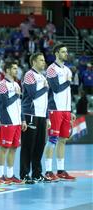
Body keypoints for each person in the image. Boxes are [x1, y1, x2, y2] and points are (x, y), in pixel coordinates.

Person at [44, 44, 76, 181]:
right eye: (63, 52)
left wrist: (71, 109)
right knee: (52, 140)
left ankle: (61, 170)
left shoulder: (68, 70)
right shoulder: (51, 69)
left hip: (66, 110)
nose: (66, 54)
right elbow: (56, 89)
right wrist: (68, 82)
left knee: (63, 140)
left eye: (66, 52)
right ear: (57, 53)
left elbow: (68, 93)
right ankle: (48, 171)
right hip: (55, 109)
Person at [20, 52, 51, 184]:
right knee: (28, 145)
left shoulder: (42, 76)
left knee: (40, 145)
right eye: (40, 60)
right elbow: (33, 94)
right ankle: (24, 174)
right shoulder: (29, 75)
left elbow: (45, 100)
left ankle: (37, 173)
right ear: (34, 62)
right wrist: (45, 88)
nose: (43, 62)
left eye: (44, 60)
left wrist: (47, 117)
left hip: (41, 115)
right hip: (30, 114)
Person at [0, 61, 24, 185]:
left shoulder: (17, 85)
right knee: (4, 148)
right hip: (7, 120)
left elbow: (20, 104)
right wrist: (15, 96)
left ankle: (10, 175)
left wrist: (22, 119)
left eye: (16, 68)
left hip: (17, 121)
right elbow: (4, 103)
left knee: (14, 148)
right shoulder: (2, 84)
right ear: (7, 70)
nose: (16, 71)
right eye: (13, 68)